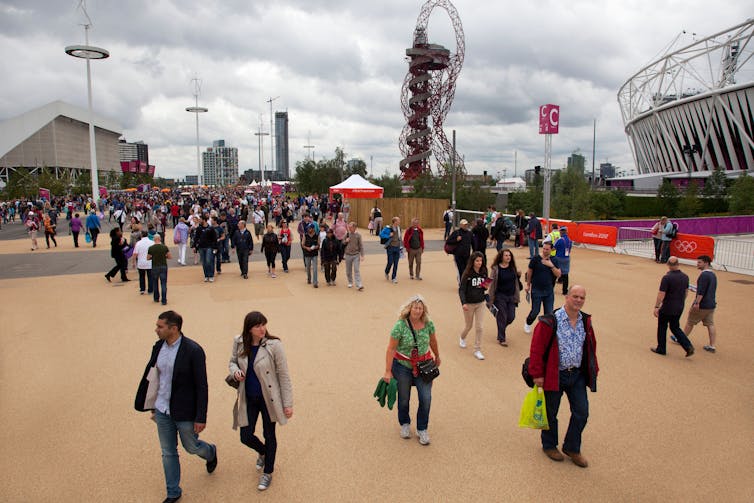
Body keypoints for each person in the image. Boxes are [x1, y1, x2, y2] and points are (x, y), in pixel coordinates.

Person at [134, 311, 218, 503]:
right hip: (163, 409)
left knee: (192, 447)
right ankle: (173, 491)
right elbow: (155, 377)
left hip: (185, 411)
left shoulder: (194, 351)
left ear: (174, 328)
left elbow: (202, 386)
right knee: (168, 452)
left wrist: (200, 417)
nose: (156, 330)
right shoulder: (158, 347)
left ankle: (211, 452)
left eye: (160, 326)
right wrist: (152, 404)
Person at [529, 285, 598, 468]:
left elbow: (590, 347)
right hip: (555, 374)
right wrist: (537, 374)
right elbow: (536, 348)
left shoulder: (585, 321)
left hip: (576, 375)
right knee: (551, 412)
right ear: (567, 297)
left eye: (582, 297)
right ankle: (549, 445)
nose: (578, 300)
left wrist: (593, 370)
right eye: (575, 296)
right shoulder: (550, 321)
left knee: (582, 412)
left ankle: (572, 447)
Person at [229, 311, 293, 491]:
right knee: (245, 436)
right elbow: (232, 362)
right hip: (249, 397)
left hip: (269, 399)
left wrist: (287, 404)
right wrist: (235, 371)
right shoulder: (239, 342)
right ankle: (263, 451)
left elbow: (284, 376)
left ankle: (268, 471)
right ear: (249, 329)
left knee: (269, 434)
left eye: (263, 324)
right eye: (257, 326)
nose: (262, 329)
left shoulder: (274, 345)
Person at [383, 295, 440, 445]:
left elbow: (433, 341)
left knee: (426, 398)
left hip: (424, 366)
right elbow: (391, 349)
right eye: (415, 307)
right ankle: (405, 424)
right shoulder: (400, 326)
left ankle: (422, 429)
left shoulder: (428, 324)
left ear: (423, 310)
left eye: (420, 308)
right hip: (402, 366)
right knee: (403, 398)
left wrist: (437, 356)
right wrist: (388, 371)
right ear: (409, 308)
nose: (417, 310)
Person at [651, 256, 695, 357]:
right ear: (678, 264)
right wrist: (681, 302)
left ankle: (661, 348)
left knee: (662, 327)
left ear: (668, 265)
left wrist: (657, 306)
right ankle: (687, 345)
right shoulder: (685, 276)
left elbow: (661, 293)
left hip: (667, 306)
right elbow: (686, 292)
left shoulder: (667, 277)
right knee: (675, 327)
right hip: (679, 306)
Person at [682, 255, 718, 353]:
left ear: (706, 263)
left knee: (690, 321)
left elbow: (701, 291)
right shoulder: (713, 275)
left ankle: (682, 339)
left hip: (702, 304)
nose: (697, 264)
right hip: (711, 304)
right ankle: (712, 345)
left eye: (699, 262)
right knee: (710, 324)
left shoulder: (704, 275)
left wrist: (697, 303)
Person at [524, 242, 561, 333]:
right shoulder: (536, 259)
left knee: (549, 312)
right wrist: (528, 284)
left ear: (551, 250)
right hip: (536, 290)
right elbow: (529, 272)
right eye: (543, 248)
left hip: (549, 291)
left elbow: (558, 274)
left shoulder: (554, 260)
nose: (544, 250)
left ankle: (545, 329)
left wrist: (551, 265)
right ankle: (528, 322)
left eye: (547, 249)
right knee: (535, 311)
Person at [458, 251, 489, 360]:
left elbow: (485, 286)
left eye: (481, 260)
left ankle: (477, 349)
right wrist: (464, 303)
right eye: (477, 261)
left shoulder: (484, 271)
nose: (479, 263)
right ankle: (462, 337)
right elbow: (461, 290)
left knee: (479, 327)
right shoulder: (467, 274)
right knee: (469, 326)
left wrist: (486, 286)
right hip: (469, 304)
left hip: (480, 302)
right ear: (473, 261)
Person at [488, 248, 522, 346]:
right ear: (501, 257)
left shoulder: (513, 268)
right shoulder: (496, 269)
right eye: (506, 255)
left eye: (509, 255)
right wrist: (482, 287)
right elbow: (490, 280)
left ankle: (501, 328)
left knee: (511, 317)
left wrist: (518, 275)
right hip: (500, 296)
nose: (508, 257)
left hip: (511, 296)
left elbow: (516, 281)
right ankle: (502, 338)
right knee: (502, 316)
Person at [148, 235, 172, 305]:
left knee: (155, 283)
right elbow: (170, 256)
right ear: (160, 239)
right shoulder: (164, 247)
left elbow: (148, 257)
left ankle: (156, 298)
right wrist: (165, 257)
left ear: (154, 239)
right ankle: (164, 300)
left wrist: (153, 257)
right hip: (163, 266)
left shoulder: (151, 248)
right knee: (163, 283)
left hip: (155, 266)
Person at [343, 221, 365, 290]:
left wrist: (362, 255)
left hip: (356, 255)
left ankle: (359, 284)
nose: (349, 228)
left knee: (356, 270)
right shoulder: (347, 234)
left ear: (355, 228)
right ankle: (350, 282)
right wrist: (345, 241)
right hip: (348, 255)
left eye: (351, 227)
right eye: (349, 227)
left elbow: (361, 246)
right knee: (348, 270)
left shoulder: (358, 235)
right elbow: (342, 243)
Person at [196, 216, 217, 282]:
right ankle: (206, 275)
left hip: (209, 247)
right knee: (204, 262)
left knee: (208, 261)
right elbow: (196, 238)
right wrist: (195, 247)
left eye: (200, 219)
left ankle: (211, 275)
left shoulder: (210, 228)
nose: (199, 220)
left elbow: (214, 238)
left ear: (204, 220)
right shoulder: (199, 228)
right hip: (201, 247)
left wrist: (215, 247)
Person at [133, 230, 154, 295]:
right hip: (149, 262)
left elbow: (135, 254)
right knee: (150, 276)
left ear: (141, 235)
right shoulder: (152, 242)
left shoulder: (138, 243)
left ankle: (142, 289)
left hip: (141, 262)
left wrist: (133, 262)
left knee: (141, 276)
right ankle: (150, 290)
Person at [554, 227, 573, 295]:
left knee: (555, 273)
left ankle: (551, 288)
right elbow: (569, 249)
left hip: (559, 258)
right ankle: (565, 291)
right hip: (566, 258)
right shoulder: (570, 240)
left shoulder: (560, 240)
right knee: (565, 275)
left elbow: (553, 248)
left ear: (561, 232)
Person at [384, 217, 402, 284]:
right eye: (398, 220)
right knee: (390, 262)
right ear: (395, 221)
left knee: (396, 263)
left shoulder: (399, 228)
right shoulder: (388, 228)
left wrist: (401, 246)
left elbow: (400, 238)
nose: (399, 221)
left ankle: (394, 277)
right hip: (390, 247)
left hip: (397, 247)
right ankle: (386, 271)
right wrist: (388, 235)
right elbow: (381, 234)